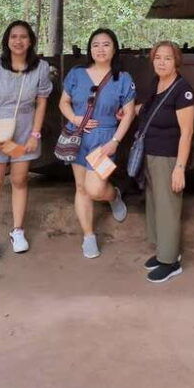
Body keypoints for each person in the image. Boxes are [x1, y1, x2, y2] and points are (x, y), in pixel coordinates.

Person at [0, 20, 53, 261]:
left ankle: (17, 231)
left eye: (23, 37)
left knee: (20, 180)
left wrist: (35, 134)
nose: (18, 41)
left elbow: (42, 102)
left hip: (25, 129)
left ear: (30, 41)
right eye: (14, 36)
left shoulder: (40, 68)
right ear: (7, 40)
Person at [59, 28, 135, 258]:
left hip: (105, 139)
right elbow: (64, 102)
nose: (100, 49)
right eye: (96, 45)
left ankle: (113, 196)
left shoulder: (122, 78)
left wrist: (115, 141)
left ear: (114, 49)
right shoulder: (76, 73)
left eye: (106, 44)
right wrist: (74, 118)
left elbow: (129, 113)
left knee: (95, 188)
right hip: (78, 135)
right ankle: (89, 236)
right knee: (81, 187)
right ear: (89, 49)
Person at [137, 41, 194, 283]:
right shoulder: (158, 83)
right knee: (155, 205)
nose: (161, 62)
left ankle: (171, 262)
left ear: (176, 62)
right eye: (157, 57)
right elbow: (150, 110)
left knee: (168, 208)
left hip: (168, 157)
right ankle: (163, 253)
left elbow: (187, 132)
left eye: (167, 58)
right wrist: (130, 110)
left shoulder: (183, 90)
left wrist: (179, 168)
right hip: (150, 154)